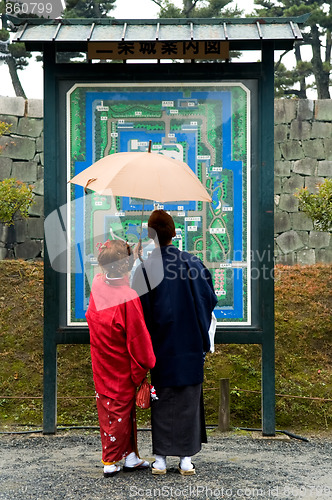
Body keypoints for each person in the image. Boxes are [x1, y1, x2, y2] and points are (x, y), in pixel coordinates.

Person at [132, 210, 217, 476]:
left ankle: (159, 459)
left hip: (160, 348)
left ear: (150, 236)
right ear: (174, 234)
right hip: (190, 345)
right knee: (187, 400)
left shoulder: (146, 268)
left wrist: (138, 265)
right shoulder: (193, 263)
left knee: (162, 398)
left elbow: (137, 312)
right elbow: (208, 300)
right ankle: (185, 461)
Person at [86, 239, 156, 478]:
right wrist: (145, 364)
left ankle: (130, 457)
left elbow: (110, 273)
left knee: (110, 408)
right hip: (122, 364)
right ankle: (111, 460)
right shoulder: (128, 296)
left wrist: (129, 259)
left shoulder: (97, 284)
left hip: (102, 359)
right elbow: (138, 339)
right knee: (120, 409)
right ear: (124, 266)